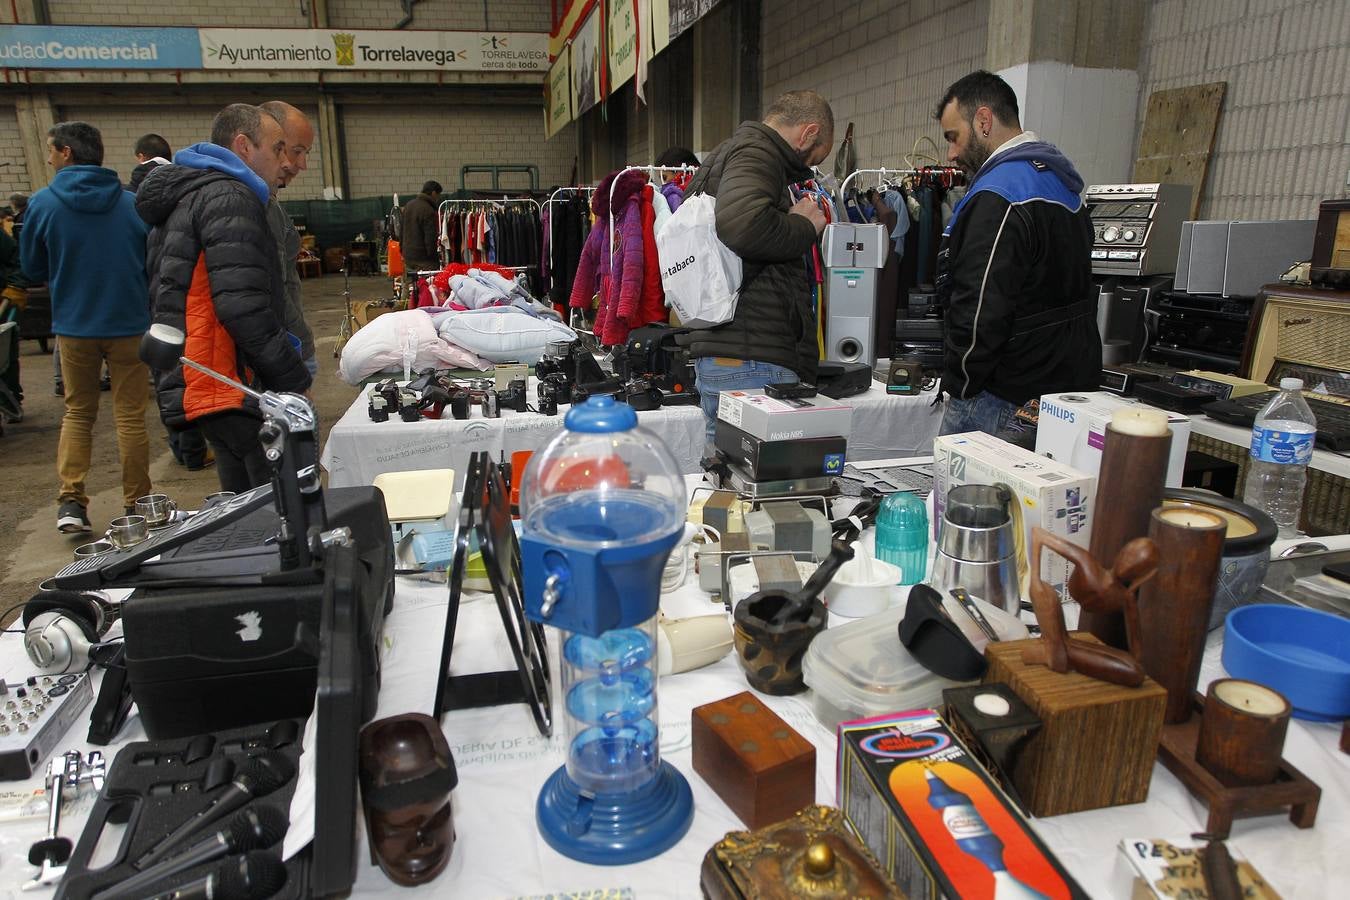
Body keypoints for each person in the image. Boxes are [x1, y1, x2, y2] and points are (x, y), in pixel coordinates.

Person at [137, 103, 311, 493]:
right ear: (244, 146)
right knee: (278, 512)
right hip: (231, 383)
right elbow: (243, 306)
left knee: (241, 511)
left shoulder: (192, 193)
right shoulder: (230, 199)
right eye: (278, 148)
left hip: (205, 381)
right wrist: (293, 381)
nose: (285, 161)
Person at [933, 70, 1101, 436]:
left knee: (959, 494)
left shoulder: (999, 194)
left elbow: (978, 309)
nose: (952, 153)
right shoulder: (1064, 185)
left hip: (998, 396)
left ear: (983, 121)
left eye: (954, 137)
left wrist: (960, 384)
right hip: (1060, 399)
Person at [18, 122, 153, 534]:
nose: (48, 157)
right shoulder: (132, 205)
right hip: (130, 323)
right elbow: (151, 261)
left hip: (75, 325)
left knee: (78, 412)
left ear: (65, 153)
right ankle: (139, 504)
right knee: (130, 417)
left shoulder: (42, 205)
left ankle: (72, 503)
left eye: (50, 150)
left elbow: (32, 268)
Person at [679, 89, 834, 446]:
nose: (808, 168)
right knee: (759, 487)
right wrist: (805, 226)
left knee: (727, 482)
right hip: (752, 359)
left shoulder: (724, 156)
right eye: (814, 156)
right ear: (808, 133)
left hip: (723, 349)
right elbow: (741, 225)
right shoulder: (758, 153)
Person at [259, 100, 318, 378]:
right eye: (297, 151)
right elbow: (275, 291)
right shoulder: (260, 208)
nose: (301, 164)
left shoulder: (268, 204)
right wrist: (302, 347)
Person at [400, 180, 442, 279]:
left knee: (408, 286)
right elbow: (430, 238)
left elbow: (401, 231)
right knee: (425, 288)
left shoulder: (409, 205)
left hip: (408, 256)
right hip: (423, 260)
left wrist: (402, 249)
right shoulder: (428, 210)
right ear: (433, 193)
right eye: (438, 195)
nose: (438, 198)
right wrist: (434, 257)